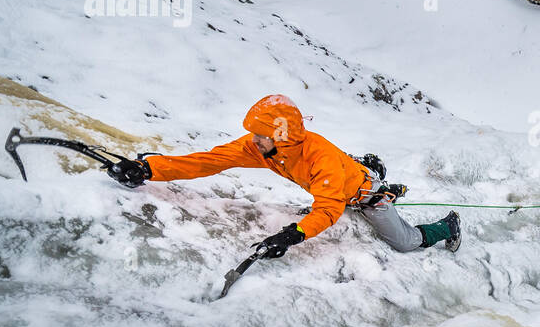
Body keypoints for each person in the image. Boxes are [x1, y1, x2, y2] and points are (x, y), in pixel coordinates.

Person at [104, 94, 461, 258]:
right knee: (344, 171)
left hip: (361, 194)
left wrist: (294, 235)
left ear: (281, 136)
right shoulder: (263, 148)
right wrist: (151, 169)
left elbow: (329, 208)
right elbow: (210, 162)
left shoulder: (316, 157)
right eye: (255, 135)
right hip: (339, 174)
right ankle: (367, 166)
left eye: (260, 135)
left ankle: (446, 226)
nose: (252, 141)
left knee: (403, 242)